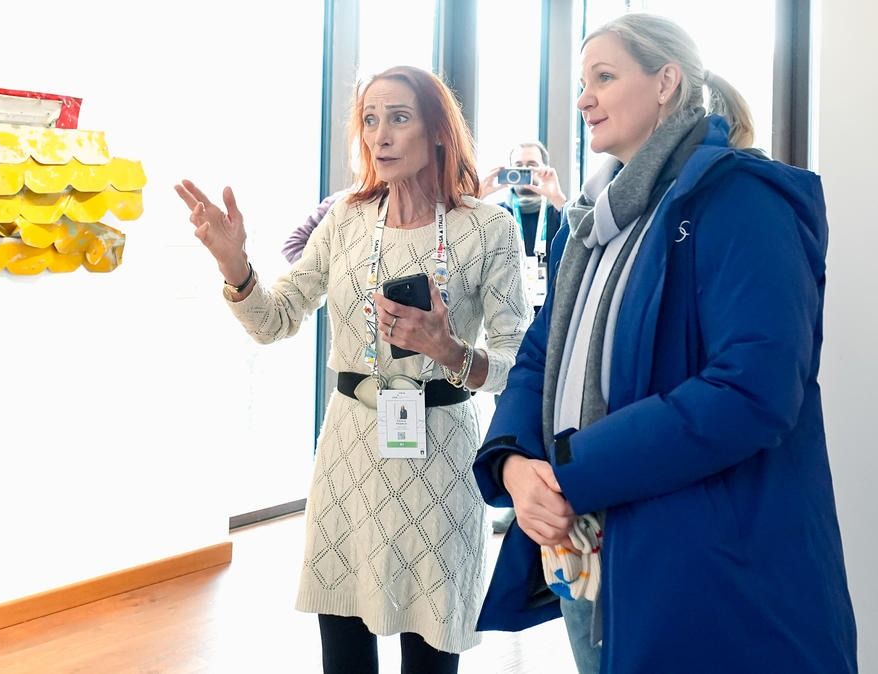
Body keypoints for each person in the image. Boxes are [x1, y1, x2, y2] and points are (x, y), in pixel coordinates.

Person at [473, 13, 857, 674]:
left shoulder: (742, 198)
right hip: (586, 548)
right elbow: (539, 357)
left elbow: (752, 390)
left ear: (665, 82)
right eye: (582, 82)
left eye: (604, 77)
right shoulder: (590, 222)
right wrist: (512, 463)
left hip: (703, 561)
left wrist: (573, 468)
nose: (583, 99)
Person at [177, 65, 531, 674]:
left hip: (441, 455)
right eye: (370, 120)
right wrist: (235, 265)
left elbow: (515, 361)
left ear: (437, 130)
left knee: (431, 641)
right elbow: (275, 320)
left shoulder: (488, 227)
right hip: (349, 450)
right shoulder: (345, 218)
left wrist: (451, 352)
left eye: (399, 118)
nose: (380, 135)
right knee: (342, 640)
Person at [477, 142, 566, 313]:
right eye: (518, 166)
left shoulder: (559, 213)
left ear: (545, 169)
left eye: (532, 165)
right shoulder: (496, 214)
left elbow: (581, 237)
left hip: (552, 312)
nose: (524, 171)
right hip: (505, 314)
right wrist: (479, 195)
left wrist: (557, 197)